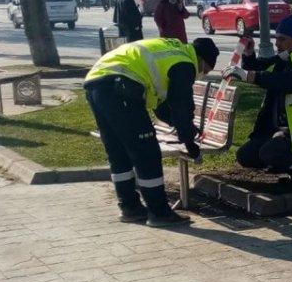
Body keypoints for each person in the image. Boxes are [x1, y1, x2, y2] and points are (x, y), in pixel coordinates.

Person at [84, 35, 220, 225]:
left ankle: (130, 208)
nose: (201, 75)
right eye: (204, 70)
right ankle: (159, 212)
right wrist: (189, 140)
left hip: (96, 82)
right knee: (146, 152)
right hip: (120, 84)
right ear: (201, 59)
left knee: (118, 152)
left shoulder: (171, 53)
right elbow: (182, 105)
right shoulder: (185, 62)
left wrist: (185, 129)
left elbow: (162, 107)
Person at [229, 13, 292, 187]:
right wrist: (249, 53)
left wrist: (250, 77)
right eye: (276, 38)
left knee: (270, 153)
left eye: (282, 39)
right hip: (283, 130)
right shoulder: (287, 57)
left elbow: (284, 81)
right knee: (246, 156)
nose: (277, 43)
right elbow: (261, 67)